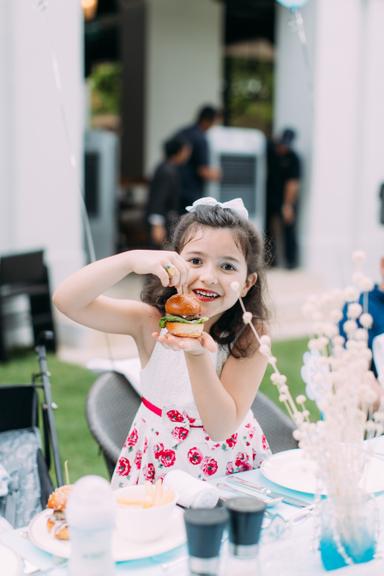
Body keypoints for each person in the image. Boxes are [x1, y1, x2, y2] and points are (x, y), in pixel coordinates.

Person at [53, 197, 271, 487]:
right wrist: (129, 260)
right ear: (172, 264)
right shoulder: (149, 321)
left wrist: (196, 356)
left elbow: (220, 427)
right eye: (195, 261)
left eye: (227, 267)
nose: (208, 277)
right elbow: (67, 300)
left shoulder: (250, 336)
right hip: (159, 463)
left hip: (229, 467)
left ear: (246, 283)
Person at [145, 136, 190, 248]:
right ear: (178, 152)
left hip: (166, 220)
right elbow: (158, 198)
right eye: (185, 151)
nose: (187, 154)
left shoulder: (169, 168)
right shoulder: (166, 171)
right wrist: (157, 225)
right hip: (162, 222)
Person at [266, 128, 301, 269]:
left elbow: (292, 184)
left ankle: (291, 261)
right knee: (268, 230)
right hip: (269, 196)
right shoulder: (270, 152)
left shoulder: (294, 159)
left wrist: (288, 205)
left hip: (286, 198)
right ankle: (270, 260)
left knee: (288, 229)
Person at [176, 105, 221, 207]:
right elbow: (203, 170)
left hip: (175, 187)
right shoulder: (200, 139)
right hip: (191, 190)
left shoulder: (183, 132)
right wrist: (217, 175)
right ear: (207, 121)